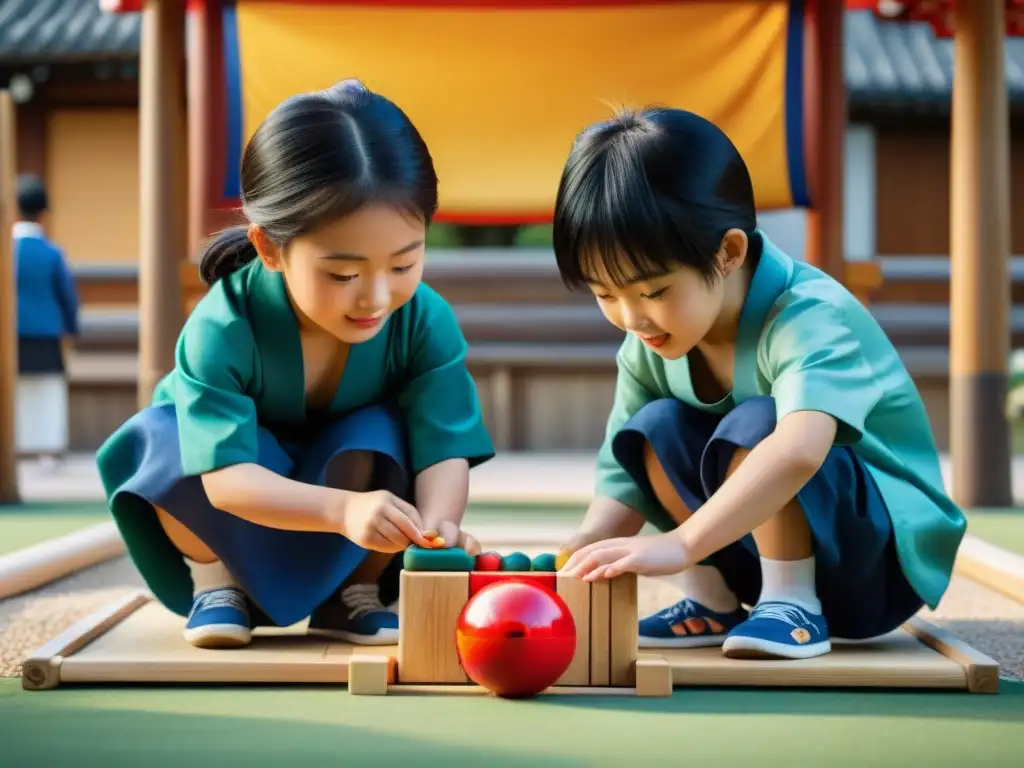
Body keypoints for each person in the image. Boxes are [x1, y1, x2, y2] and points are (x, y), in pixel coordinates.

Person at [553, 107, 966, 660]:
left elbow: (798, 451)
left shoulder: (809, 315)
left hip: (874, 566)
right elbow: (620, 469)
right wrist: (587, 544)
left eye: (651, 291)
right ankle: (713, 599)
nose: (631, 317)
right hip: (745, 550)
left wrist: (683, 543)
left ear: (727, 253)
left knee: (763, 420)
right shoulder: (648, 342)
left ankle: (791, 602)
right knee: (650, 426)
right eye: (606, 295)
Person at [96, 80, 495, 650]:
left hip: (355, 516)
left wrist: (437, 529)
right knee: (168, 434)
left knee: (384, 430)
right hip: (234, 512)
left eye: (404, 265)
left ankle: (354, 593)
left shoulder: (425, 321)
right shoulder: (223, 325)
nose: (377, 298)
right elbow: (229, 481)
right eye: (344, 274)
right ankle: (218, 583)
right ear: (269, 248)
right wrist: (340, 508)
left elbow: (441, 446)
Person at [13, 174, 79, 469]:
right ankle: (48, 453)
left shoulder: (6, 251)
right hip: (47, 332)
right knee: (48, 392)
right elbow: (67, 296)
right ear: (42, 213)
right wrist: (72, 329)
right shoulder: (52, 253)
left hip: (8, 336)